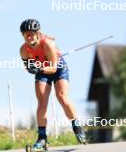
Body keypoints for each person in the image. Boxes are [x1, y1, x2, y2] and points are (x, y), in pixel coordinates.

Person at [19, 19, 86, 151]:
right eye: (26, 34)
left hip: (58, 68)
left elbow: (54, 69)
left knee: (62, 96)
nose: (29, 37)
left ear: (38, 34)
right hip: (42, 70)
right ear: (23, 35)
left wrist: (38, 69)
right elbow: (28, 68)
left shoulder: (47, 44)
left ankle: (77, 127)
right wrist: (31, 68)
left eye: (32, 34)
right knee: (42, 103)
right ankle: (42, 137)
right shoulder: (23, 50)